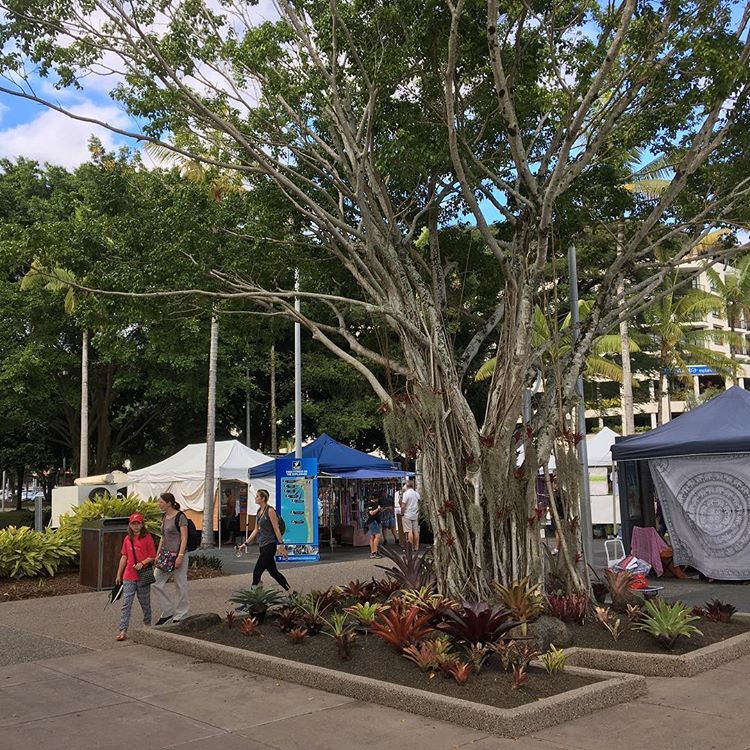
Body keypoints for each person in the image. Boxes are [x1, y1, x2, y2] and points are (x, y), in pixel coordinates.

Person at [114, 512, 156, 641]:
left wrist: (142, 563)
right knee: (126, 603)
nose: (136, 526)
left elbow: (152, 555)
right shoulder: (127, 539)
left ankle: (147, 623)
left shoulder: (147, 538)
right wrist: (118, 574)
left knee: (145, 603)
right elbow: (124, 556)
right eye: (133, 523)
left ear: (142, 524)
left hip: (143, 575)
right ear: (130, 525)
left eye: (138, 523)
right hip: (129, 575)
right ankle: (123, 630)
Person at [238, 489, 290, 590]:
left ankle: (254, 596)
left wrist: (281, 545)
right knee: (273, 572)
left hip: (269, 546)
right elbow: (256, 530)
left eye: (257, 496)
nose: (255, 498)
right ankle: (290, 591)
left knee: (257, 571)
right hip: (262, 546)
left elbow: (276, 528)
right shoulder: (259, 511)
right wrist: (245, 544)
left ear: (263, 498)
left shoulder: (270, 511)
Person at [153, 492, 190, 625]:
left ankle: (181, 613)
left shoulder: (180, 516)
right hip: (165, 555)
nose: (159, 504)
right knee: (155, 582)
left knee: (180, 583)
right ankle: (168, 609)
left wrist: (180, 556)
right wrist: (157, 555)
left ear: (169, 503)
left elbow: (184, 537)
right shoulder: (164, 516)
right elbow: (163, 537)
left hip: (179, 554)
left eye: (161, 502)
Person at [400, 480, 420, 550]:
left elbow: (403, 505)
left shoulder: (406, 494)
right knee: (416, 531)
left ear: (407, 485)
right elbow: (420, 503)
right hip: (415, 514)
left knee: (409, 531)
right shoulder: (416, 494)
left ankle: (410, 547)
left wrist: (402, 512)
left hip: (407, 514)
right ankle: (416, 547)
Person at [366, 494, 382, 559]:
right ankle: (375, 551)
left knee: (372, 536)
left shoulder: (375, 504)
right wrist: (378, 509)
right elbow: (371, 513)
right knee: (377, 536)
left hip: (375, 521)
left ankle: (373, 552)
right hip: (373, 522)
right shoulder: (370, 504)